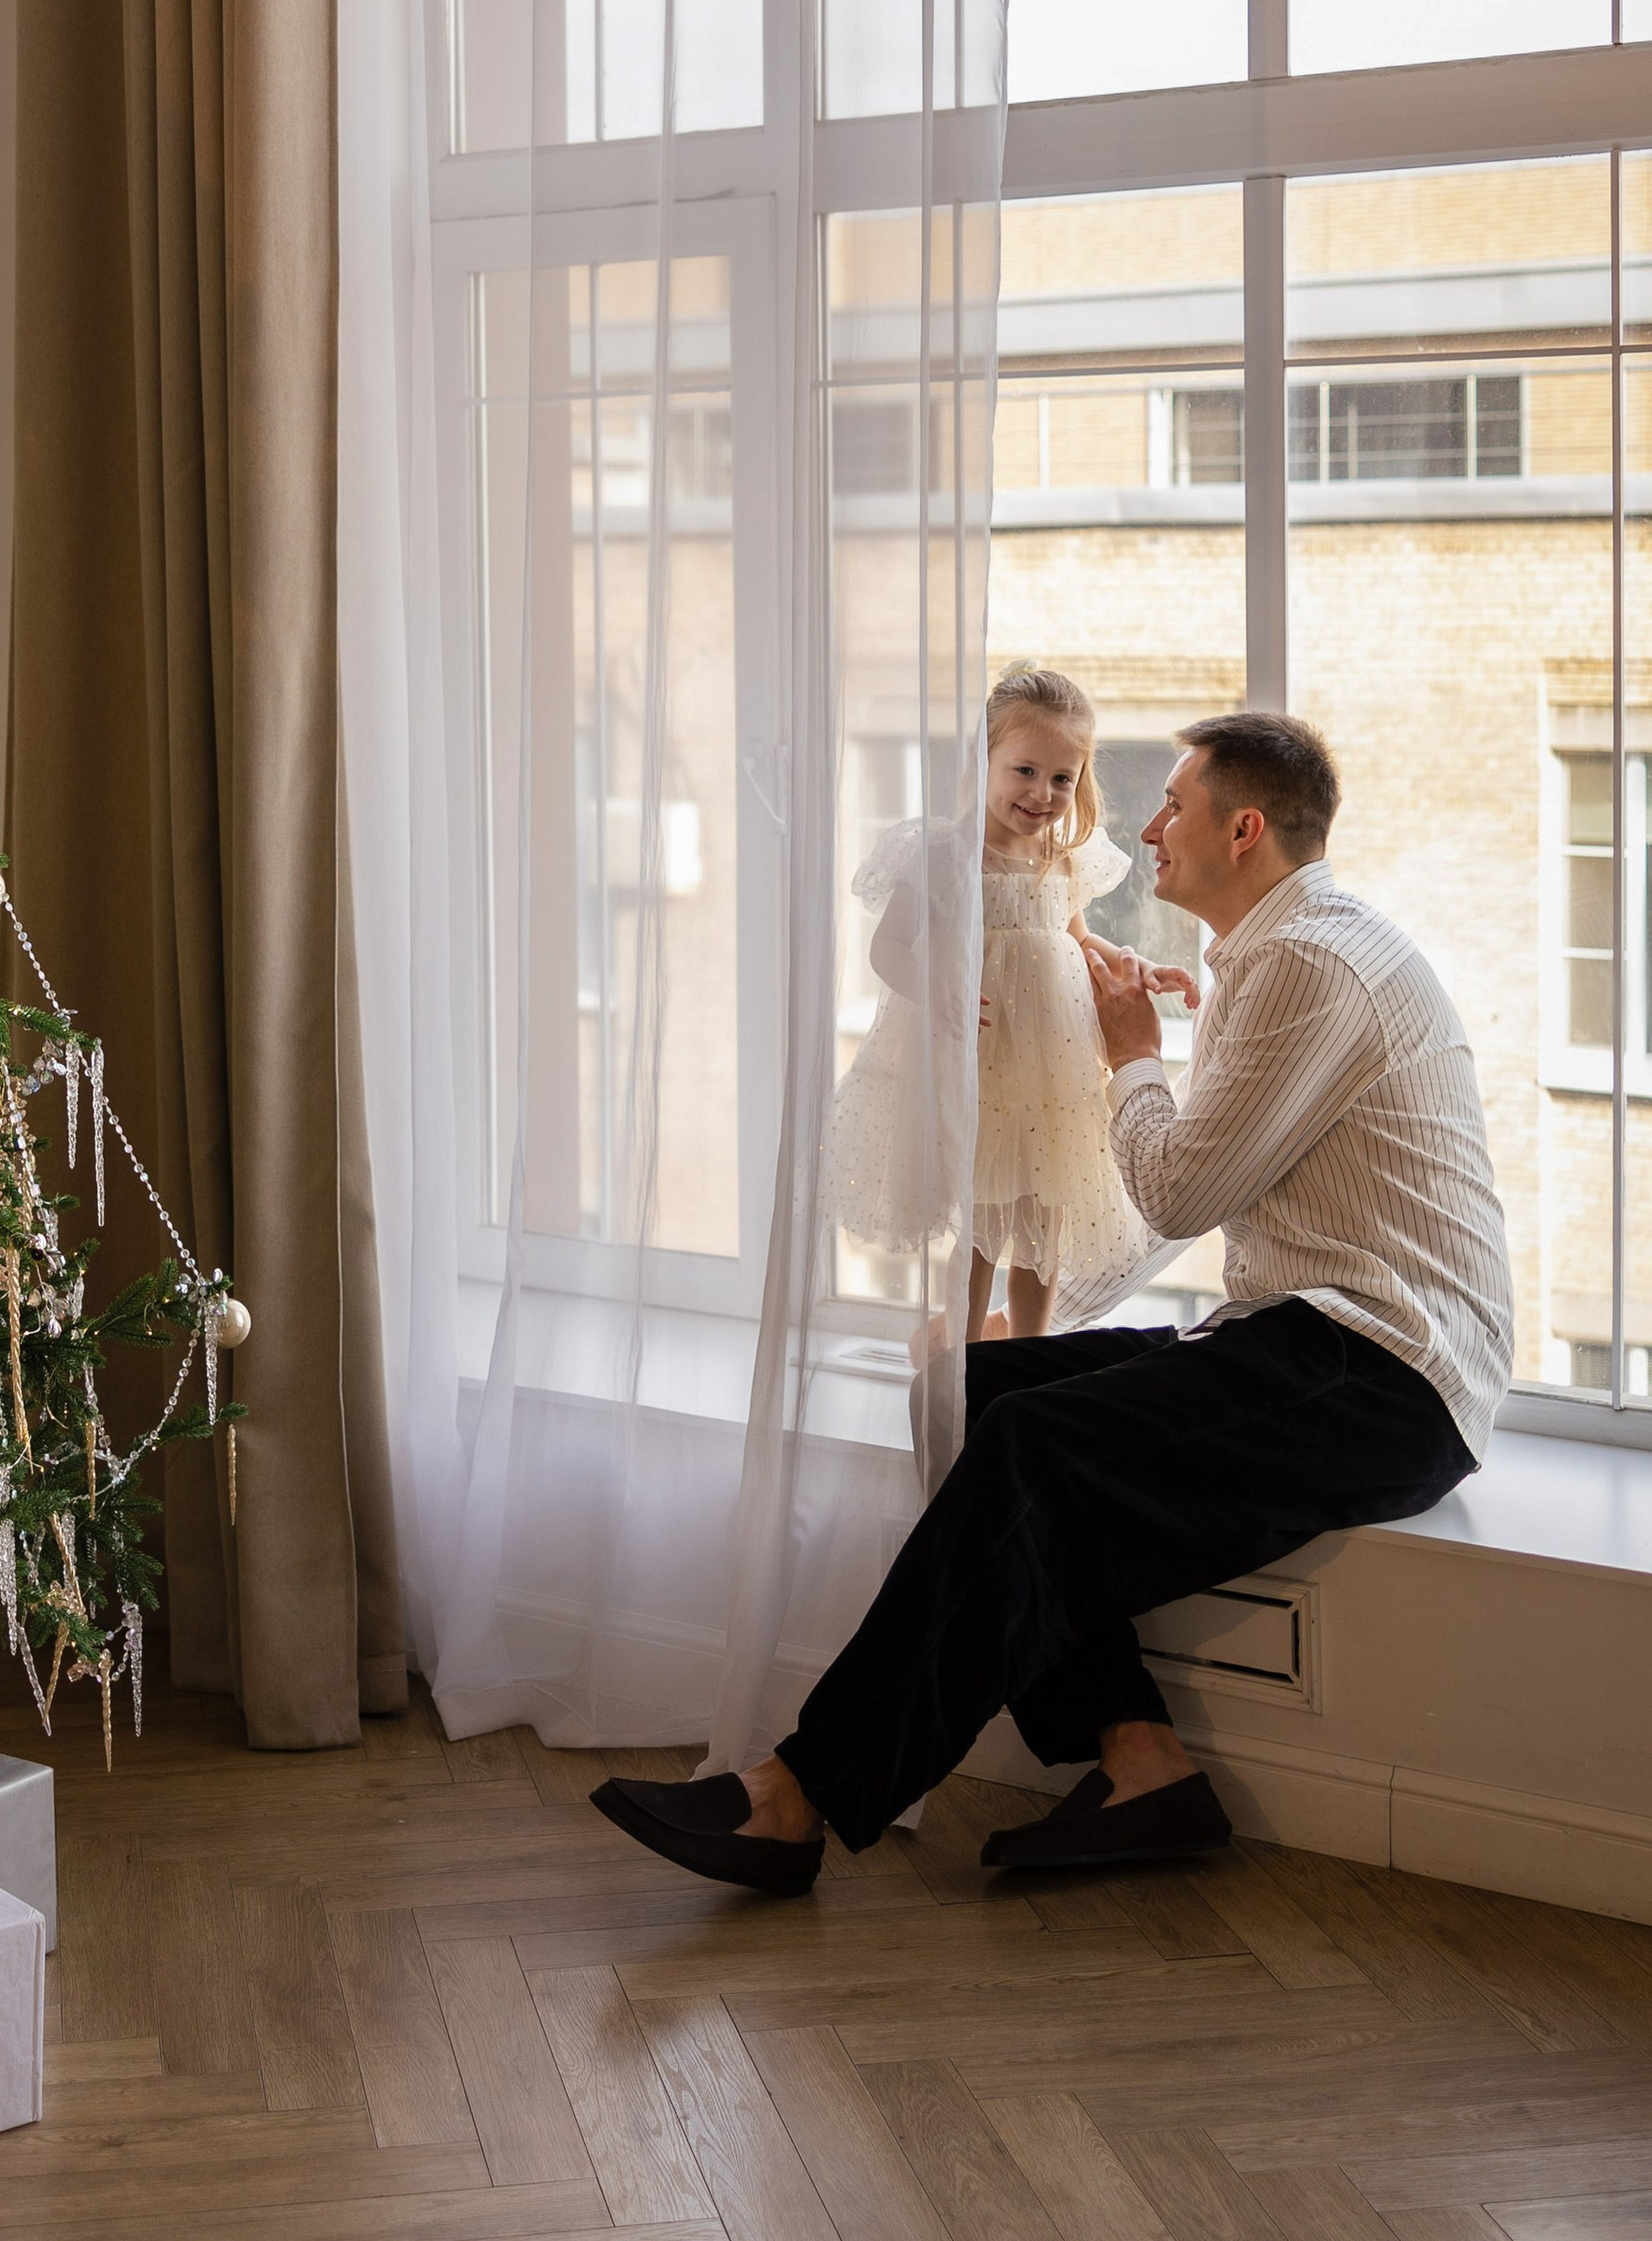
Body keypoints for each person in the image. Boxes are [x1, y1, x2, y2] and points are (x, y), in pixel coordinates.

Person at [595, 710, 1512, 1893]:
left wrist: (1132, 1053)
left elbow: (1180, 1191)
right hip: (1306, 1337)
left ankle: (795, 1796)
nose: (1143, 824)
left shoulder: (1309, 962)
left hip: (1387, 1369)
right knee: (966, 1393)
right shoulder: (1278, 949)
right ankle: (1143, 1763)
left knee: (1029, 1439)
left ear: (1243, 829)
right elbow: (1207, 1190)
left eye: (1171, 803)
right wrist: (1052, 1298)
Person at [829, 663, 1192, 1343]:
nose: (1043, 793)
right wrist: (934, 989)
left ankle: (1030, 1346)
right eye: (1024, 771)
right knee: (980, 1223)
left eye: (1063, 778)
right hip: (978, 1062)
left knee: (1042, 1219)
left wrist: (1132, 965)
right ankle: (964, 1353)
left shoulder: (1065, 860)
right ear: (984, 760)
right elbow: (890, 949)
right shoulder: (946, 855)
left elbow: (1078, 941)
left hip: (1051, 1070)